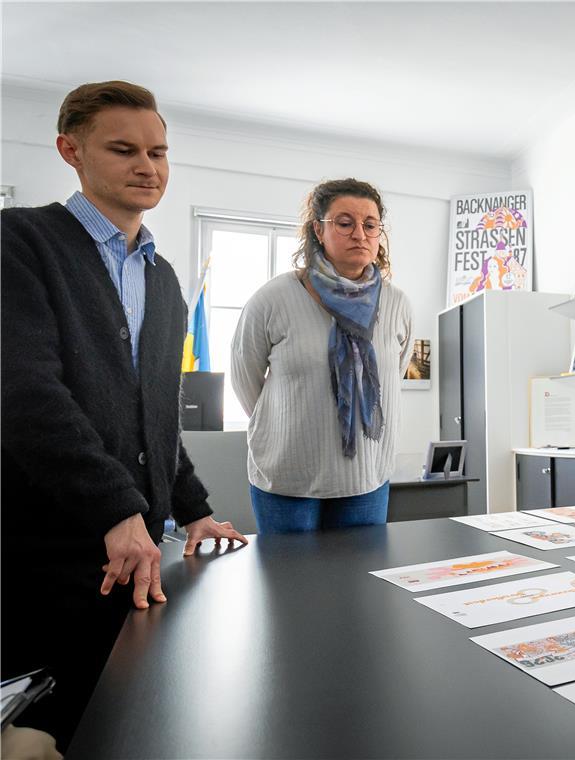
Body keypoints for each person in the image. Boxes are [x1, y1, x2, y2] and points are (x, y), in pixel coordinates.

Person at [0, 80, 246, 749]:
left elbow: (158, 416)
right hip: (46, 551)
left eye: (159, 151)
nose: (149, 166)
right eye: (125, 149)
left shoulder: (162, 277)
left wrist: (192, 508)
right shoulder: (19, 241)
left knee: (128, 725)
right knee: (52, 726)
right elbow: (22, 392)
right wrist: (115, 509)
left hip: (140, 551)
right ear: (70, 151)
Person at [231, 178, 413, 533]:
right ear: (318, 229)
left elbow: (395, 373)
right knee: (288, 585)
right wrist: (290, 423)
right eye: (345, 223)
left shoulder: (397, 304)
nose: (359, 234)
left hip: (366, 480)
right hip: (288, 481)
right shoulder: (274, 298)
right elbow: (245, 379)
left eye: (370, 224)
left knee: (359, 586)